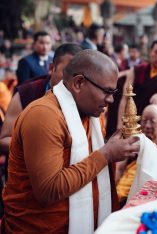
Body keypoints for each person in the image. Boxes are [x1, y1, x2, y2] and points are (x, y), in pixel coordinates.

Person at [2, 49, 140, 233]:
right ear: (78, 83)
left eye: (113, 92)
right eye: (107, 91)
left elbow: (87, 158)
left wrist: (110, 147)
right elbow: (48, 191)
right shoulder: (44, 116)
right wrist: (106, 154)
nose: (111, 100)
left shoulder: (92, 113)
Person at [0, 43, 83, 156]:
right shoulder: (27, 92)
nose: (72, 81)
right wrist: (42, 148)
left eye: (78, 76)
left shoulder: (83, 96)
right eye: (66, 72)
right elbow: (4, 139)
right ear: (51, 68)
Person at [117, 39, 157, 129]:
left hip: (156, 128)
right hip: (133, 123)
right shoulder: (136, 70)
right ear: (150, 52)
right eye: (156, 52)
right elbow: (125, 98)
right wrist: (120, 125)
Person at [116, 104, 157, 205]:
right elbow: (119, 170)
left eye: (153, 122)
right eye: (144, 120)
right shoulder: (135, 144)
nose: (147, 126)